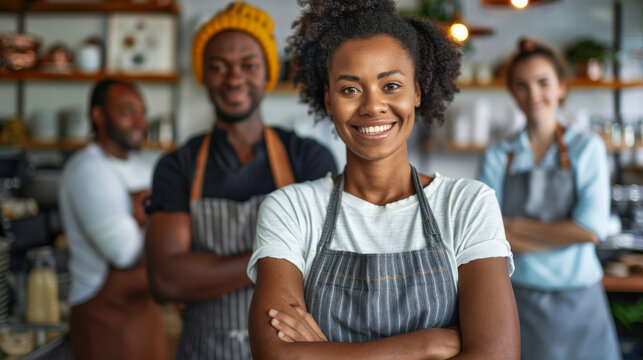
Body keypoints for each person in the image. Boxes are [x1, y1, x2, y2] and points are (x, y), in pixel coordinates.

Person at [247, 1, 520, 359]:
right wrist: (428, 344)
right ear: (328, 100)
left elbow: (497, 356)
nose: (372, 106)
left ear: (417, 92)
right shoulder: (291, 209)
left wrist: (323, 352)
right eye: (350, 90)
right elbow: (276, 355)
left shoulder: (467, 204)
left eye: (391, 85)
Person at [144, 2, 337, 359]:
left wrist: (207, 270)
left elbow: (327, 267)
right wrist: (279, 259)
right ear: (204, 75)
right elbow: (166, 280)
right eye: (219, 66)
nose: (234, 79)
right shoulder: (178, 165)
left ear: (267, 73)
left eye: (248, 65)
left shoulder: (307, 158)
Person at [479, 38, 620, 360]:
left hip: (581, 303)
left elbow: (589, 229)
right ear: (513, 93)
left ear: (561, 87)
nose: (533, 94)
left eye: (543, 83)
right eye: (521, 85)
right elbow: (486, 235)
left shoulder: (588, 147)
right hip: (517, 301)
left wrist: (511, 225)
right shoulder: (499, 153)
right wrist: (565, 234)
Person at [58, 79, 166, 360]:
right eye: (128, 111)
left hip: (145, 310)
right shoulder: (88, 170)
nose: (140, 122)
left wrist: (141, 214)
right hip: (104, 315)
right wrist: (160, 218)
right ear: (98, 115)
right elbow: (124, 253)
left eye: (142, 112)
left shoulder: (140, 166)